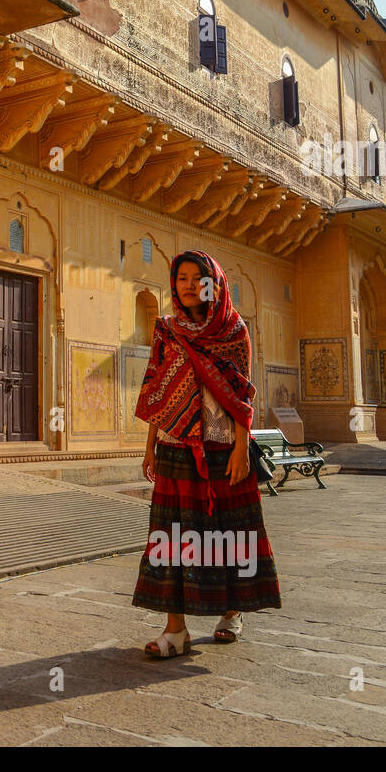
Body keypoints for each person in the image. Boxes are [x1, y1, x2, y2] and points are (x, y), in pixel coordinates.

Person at [132, 250, 281, 657]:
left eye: (198, 277)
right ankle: (174, 628)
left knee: (229, 533)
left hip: (223, 449)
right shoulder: (166, 330)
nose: (189, 285)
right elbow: (155, 390)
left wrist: (240, 449)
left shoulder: (234, 331)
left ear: (214, 282)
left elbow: (242, 395)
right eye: (181, 278)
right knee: (172, 537)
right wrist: (149, 448)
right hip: (176, 447)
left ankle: (232, 610)